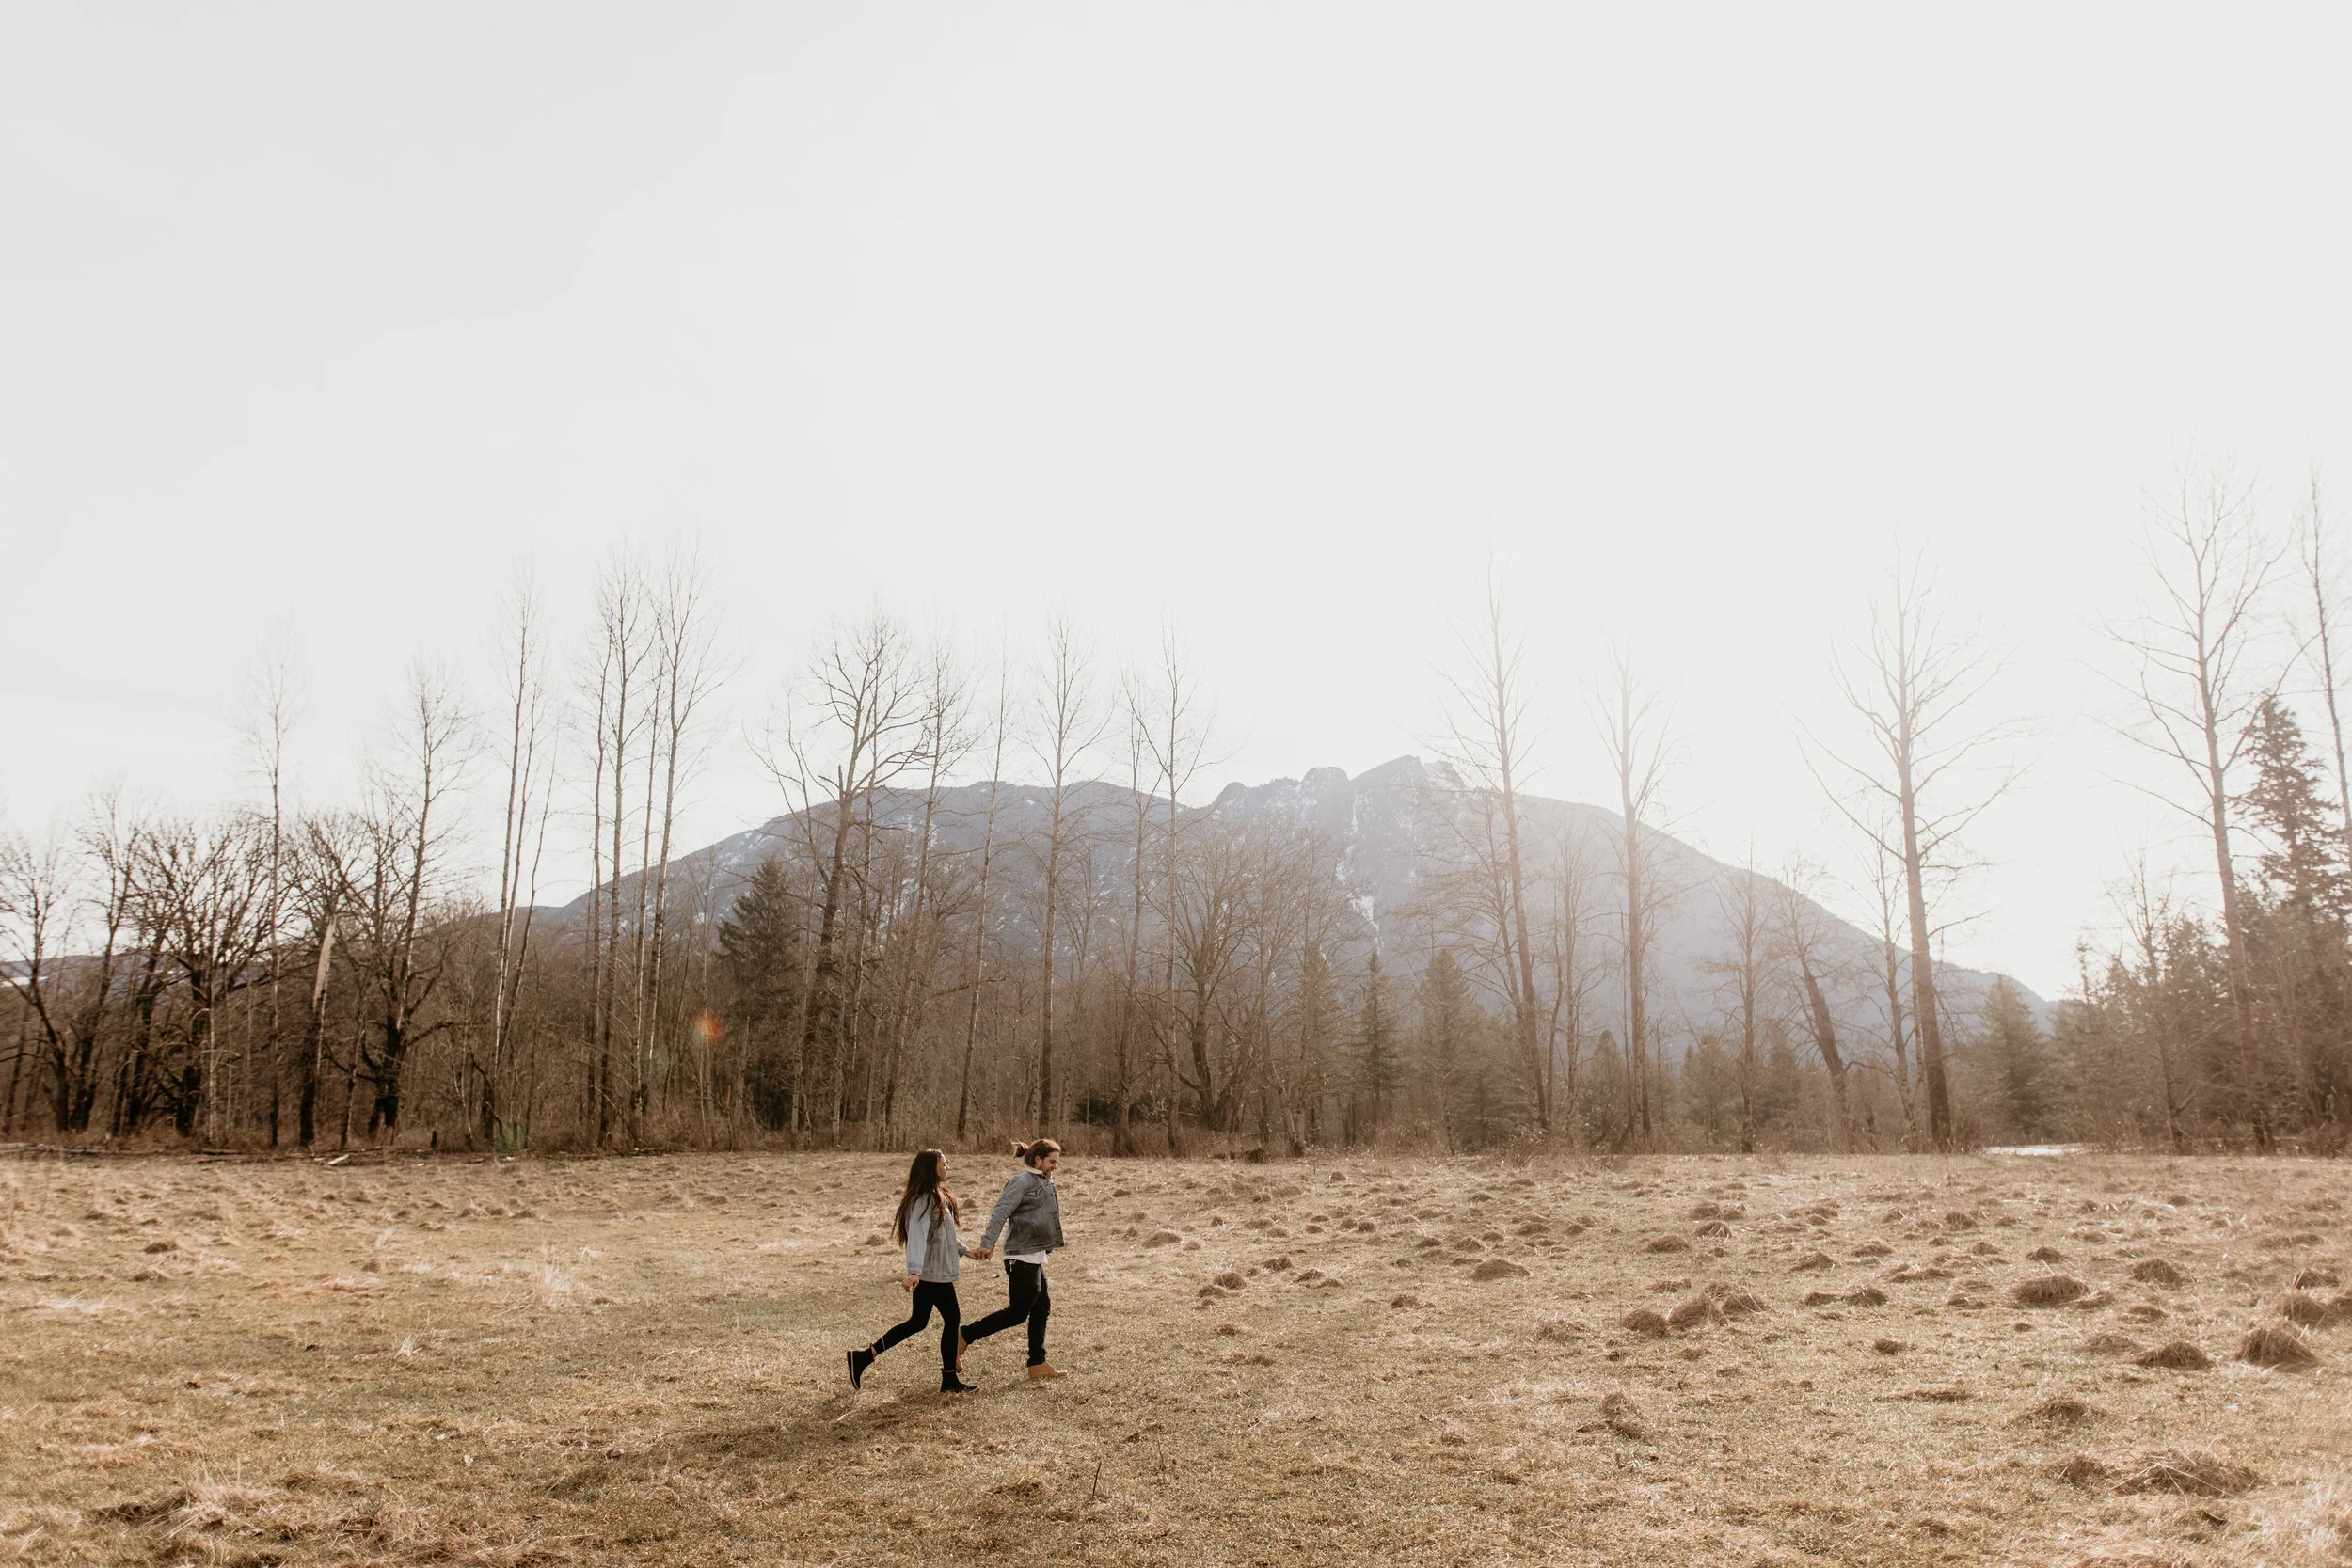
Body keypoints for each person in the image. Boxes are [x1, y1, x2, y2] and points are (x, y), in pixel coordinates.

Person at [847, 1149, 976, 1394]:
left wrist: (966, 1251)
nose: (947, 1168)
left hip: (931, 1272)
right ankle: (949, 1380)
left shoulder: (935, 1196)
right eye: (944, 1164)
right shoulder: (924, 1199)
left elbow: (942, 1235)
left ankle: (862, 1357)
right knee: (952, 1319)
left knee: (918, 1322)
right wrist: (914, 1271)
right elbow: (917, 1235)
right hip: (930, 1273)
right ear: (931, 1168)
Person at [960, 1137, 1067, 1381]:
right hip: (1020, 1257)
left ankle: (1037, 1363)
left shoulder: (1043, 1181)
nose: (1055, 1166)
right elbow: (1000, 1212)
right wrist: (988, 1244)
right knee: (1018, 1313)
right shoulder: (1021, 1182)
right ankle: (965, 1335)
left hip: (1034, 1256)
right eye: (1052, 1161)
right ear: (1037, 1159)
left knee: (1042, 1308)